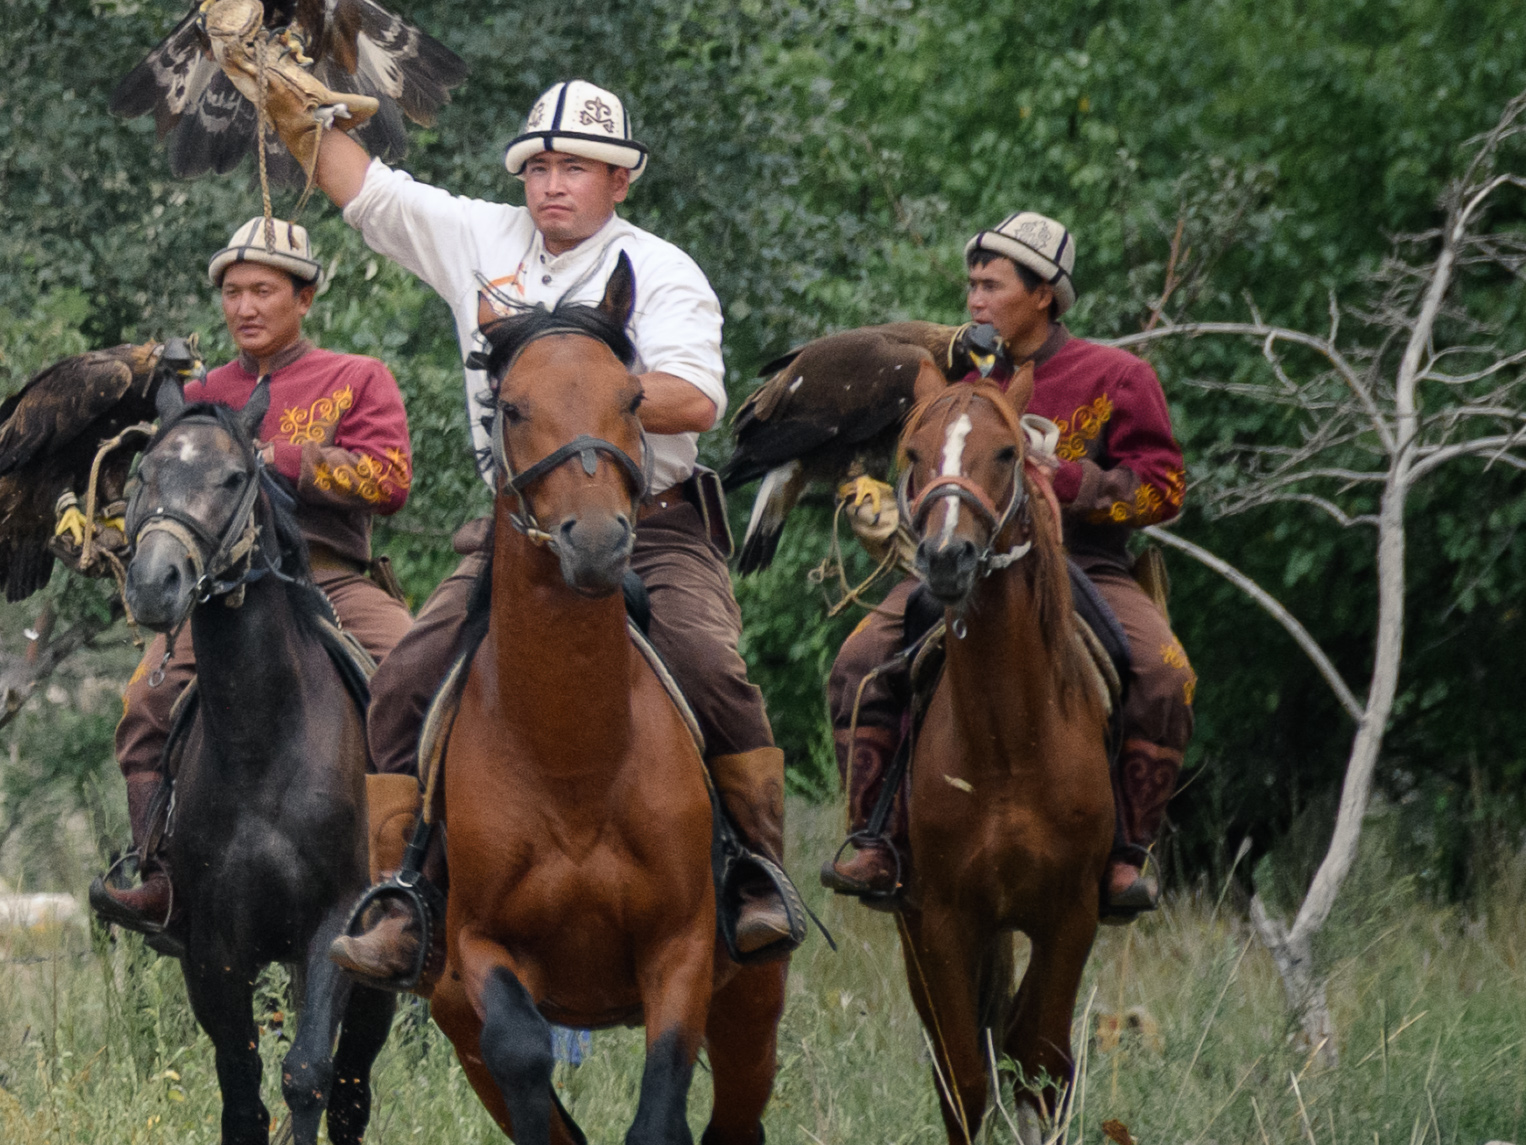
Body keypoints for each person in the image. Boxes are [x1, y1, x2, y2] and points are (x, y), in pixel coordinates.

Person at [251, 76, 800, 984]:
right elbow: (370, 193)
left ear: (620, 180)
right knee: (403, 682)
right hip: (518, 534)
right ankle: (403, 899)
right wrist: (287, 108)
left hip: (650, 524)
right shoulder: (482, 238)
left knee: (711, 667)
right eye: (538, 168)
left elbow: (697, 398)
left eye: (576, 168)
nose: (552, 184)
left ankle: (754, 872)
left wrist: (577, 395)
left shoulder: (662, 269)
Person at [817, 211, 1197, 919]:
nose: (975, 300)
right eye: (972, 285)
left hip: (1085, 565)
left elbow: (1166, 489)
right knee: (857, 663)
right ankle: (876, 839)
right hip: (959, 561)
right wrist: (888, 505)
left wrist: (1069, 480)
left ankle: (1126, 852)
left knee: (1166, 674)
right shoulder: (952, 378)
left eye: (992, 285)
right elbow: (917, 469)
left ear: (1044, 293)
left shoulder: (1118, 376)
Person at [86, 215, 416, 938]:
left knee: (417, 677)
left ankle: (413, 882)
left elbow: (390, 479)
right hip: (223, 594)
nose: (245, 307)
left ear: (305, 298)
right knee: (145, 700)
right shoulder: (203, 392)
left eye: (263, 290)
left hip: (332, 580)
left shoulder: (356, 377)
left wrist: (275, 458)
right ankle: (160, 875)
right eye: (233, 292)